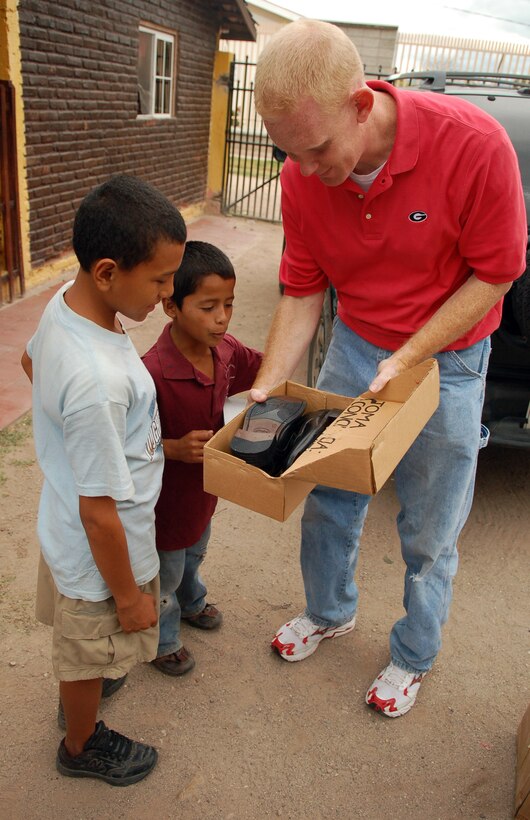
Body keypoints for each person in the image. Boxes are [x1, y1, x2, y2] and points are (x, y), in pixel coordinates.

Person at [251, 20, 527, 717]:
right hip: (355, 344)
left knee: (429, 528)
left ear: (361, 103)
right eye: (290, 154)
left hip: (451, 360)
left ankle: (413, 653)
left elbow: (497, 273)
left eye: (316, 149)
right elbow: (304, 289)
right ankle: (329, 610)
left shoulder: (473, 145)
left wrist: (408, 355)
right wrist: (267, 391)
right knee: (328, 495)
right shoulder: (302, 171)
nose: (306, 171)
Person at [21, 174, 186, 783]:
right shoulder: (96, 384)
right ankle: (80, 745)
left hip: (75, 528)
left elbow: (30, 360)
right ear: (109, 272)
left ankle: (84, 698)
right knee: (90, 646)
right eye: (161, 280)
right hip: (100, 553)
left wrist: (70, 438)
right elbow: (99, 514)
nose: (169, 296)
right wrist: (129, 597)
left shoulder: (68, 301)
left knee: (90, 648)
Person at [142, 241, 262, 676]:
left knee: (196, 554)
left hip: (205, 493)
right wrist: (171, 448)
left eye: (228, 304)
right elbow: (121, 443)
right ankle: (163, 640)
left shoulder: (225, 350)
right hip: (165, 507)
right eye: (209, 306)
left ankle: (194, 603)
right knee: (166, 575)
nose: (222, 317)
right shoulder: (149, 373)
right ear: (171, 307)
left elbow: (261, 367)